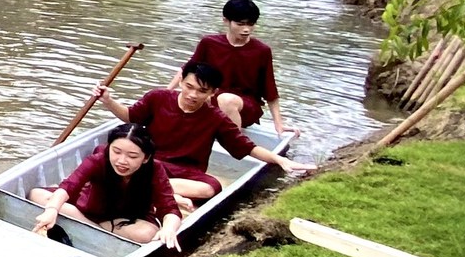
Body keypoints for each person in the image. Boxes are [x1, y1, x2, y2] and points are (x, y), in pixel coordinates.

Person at [95, 60, 313, 203]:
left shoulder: (215, 117)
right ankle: (150, 189)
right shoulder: (158, 98)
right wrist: (108, 100)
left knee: (211, 188)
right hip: (149, 163)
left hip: (185, 172)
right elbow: (130, 116)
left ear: (213, 93)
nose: (192, 95)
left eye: (202, 91)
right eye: (188, 86)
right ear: (181, 81)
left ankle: (140, 188)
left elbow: (246, 147)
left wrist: (279, 160)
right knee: (102, 152)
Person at [28, 123, 185, 252]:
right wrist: (52, 210)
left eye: (132, 156)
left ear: (146, 158)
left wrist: (169, 229)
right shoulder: (97, 161)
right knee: (36, 195)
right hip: (87, 212)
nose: (122, 161)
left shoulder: (154, 169)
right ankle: (95, 229)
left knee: (147, 234)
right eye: (116, 152)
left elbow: (169, 208)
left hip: (125, 220)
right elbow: (70, 185)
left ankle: (95, 229)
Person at [176, 0, 298, 136]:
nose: (246, 29)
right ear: (226, 21)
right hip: (213, 98)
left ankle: (235, 145)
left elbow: (270, 90)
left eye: (251, 24)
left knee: (226, 100)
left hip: (245, 105)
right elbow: (187, 71)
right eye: (240, 24)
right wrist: (164, 93)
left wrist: (279, 124)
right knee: (194, 96)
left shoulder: (262, 51)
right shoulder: (209, 43)